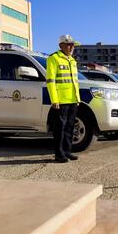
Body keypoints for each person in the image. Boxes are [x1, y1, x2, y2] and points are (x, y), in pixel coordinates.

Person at [46, 35, 80, 163]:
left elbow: (74, 81)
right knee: (60, 128)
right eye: (69, 45)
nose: (71, 47)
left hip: (72, 99)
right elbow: (50, 80)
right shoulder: (54, 58)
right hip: (60, 100)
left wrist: (77, 98)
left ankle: (67, 151)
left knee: (70, 128)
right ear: (61, 46)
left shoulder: (72, 60)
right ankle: (59, 154)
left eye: (73, 45)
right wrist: (54, 99)